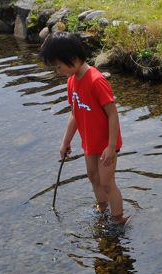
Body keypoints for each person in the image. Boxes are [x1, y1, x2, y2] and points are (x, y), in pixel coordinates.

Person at [39, 32, 127, 225]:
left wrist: (111, 146)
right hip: (90, 141)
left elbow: (112, 113)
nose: (58, 70)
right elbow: (75, 113)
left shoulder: (96, 81)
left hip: (106, 142)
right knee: (93, 176)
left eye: (58, 65)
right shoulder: (72, 81)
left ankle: (118, 218)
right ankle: (102, 208)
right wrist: (65, 141)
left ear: (73, 59)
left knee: (106, 182)